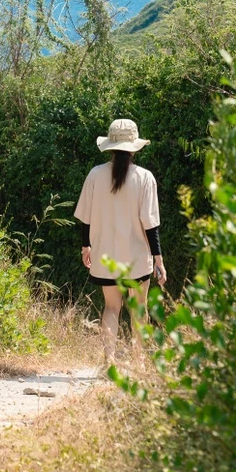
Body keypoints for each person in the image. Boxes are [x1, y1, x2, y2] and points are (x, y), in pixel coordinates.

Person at [74, 118, 167, 363]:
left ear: (111, 146)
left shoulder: (95, 174)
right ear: (135, 147)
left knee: (111, 308)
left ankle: (110, 362)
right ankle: (138, 364)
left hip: (105, 254)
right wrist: (158, 258)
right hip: (137, 256)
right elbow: (150, 223)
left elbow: (86, 216)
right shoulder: (145, 178)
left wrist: (86, 246)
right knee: (139, 310)